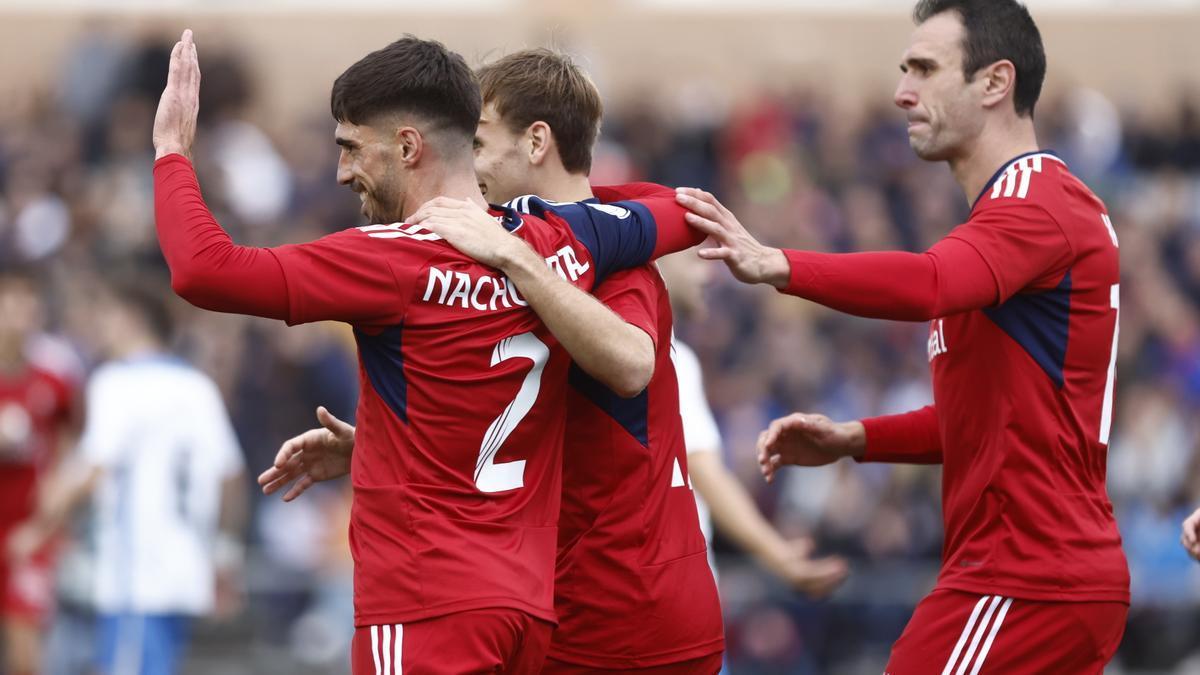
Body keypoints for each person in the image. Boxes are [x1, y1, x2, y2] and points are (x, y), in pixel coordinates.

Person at [152, 32, 702, 674]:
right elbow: (680, 212)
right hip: (524, 613)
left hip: (424, 603)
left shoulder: (391, 257)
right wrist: (377, 443)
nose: (340, 171)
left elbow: (203, 271)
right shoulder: (561, 242)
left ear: (408, 147)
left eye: (352, 148)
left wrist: (171, 154)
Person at [674, 0, 1128, 672]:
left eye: (924, 68)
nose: (901, 92)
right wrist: (856, 438)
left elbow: (925, 285)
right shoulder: (1005, 225)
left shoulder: (1037, 201)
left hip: (1025, 575)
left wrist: (779, 263)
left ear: (996, 82)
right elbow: (978, 421)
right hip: (1042, 575)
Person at [8, 278, 245, 675]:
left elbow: (93, 469)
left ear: (129, 320)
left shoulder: (118, 383)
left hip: (137, 576)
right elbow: (230, 477)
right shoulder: (197, 386)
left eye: (106, 317)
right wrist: (223, 553)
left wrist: (40, 526)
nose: (100, 327)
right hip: (184, 570)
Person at [657, 252, 847, 595]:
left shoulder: (662, 356)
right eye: (694, 259)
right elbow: (706, 473)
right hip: (665, 601)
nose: (709, 275)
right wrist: (780, 557)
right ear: (657, 262)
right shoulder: (671, 361)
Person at [0, 269, 78, 675]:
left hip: (26, 536)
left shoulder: (54, 379)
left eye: (29, 303)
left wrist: (47, 528)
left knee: (25, 658)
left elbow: (68, 460)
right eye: (11, 302)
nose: (20, 313)